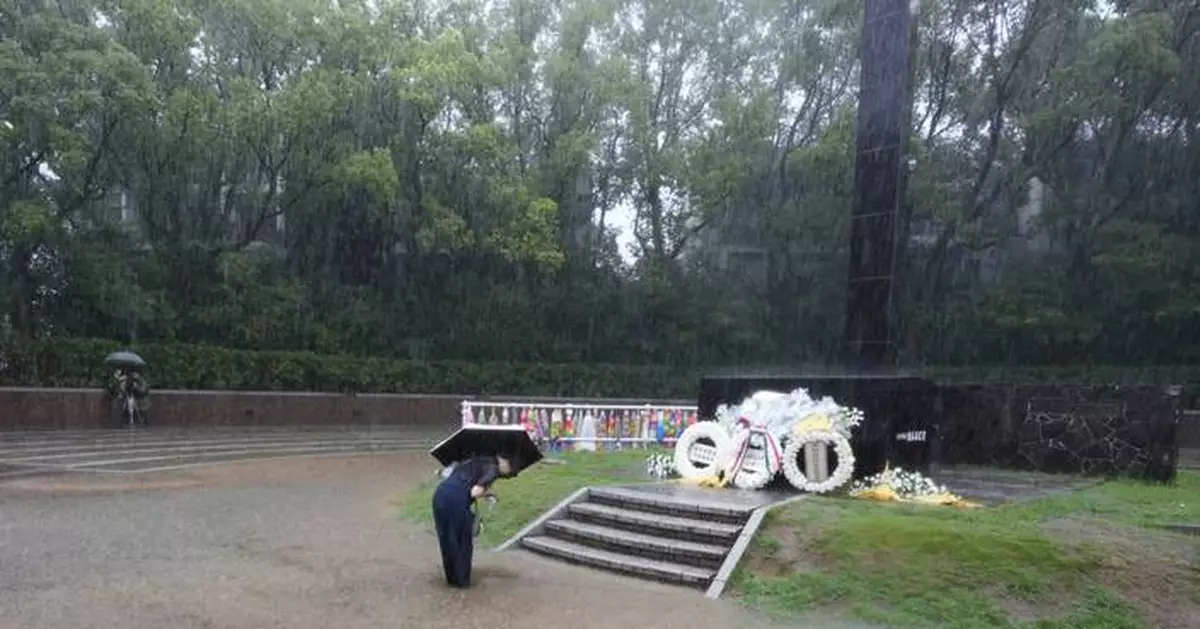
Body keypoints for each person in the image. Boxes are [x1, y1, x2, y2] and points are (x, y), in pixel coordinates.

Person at [431, 453, 517, 588]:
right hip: (456, 500)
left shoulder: (472, 460)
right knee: (462, 542)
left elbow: (446, 475)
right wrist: (488, 493)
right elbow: (474, 492)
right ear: (504, 460)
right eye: (511, 469)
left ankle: (451, 579)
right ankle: (461, 582)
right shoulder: (493, 469)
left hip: (439, 496)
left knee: (447, 539)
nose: (511, 473)